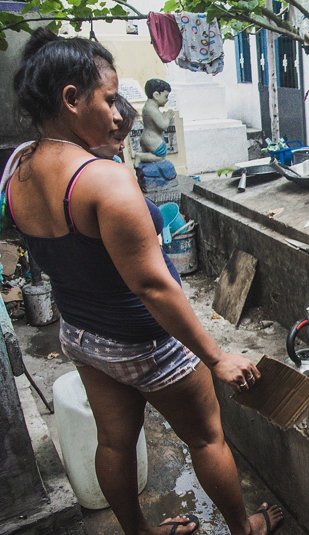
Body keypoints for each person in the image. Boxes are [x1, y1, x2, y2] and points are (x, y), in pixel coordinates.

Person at [8, 29, 283, 535]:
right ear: (71, 98)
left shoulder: (15, 168)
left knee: (113, 442)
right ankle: (244, 529)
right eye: (110, 100)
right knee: (206, 439)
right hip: (144, 342)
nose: (118, 114)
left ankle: (138, 532)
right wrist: (217, 356)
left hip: (81, 334)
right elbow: (153, 287)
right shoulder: (104, 182)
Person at [136, 78, 173, 167]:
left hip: (147, 138)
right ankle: (140, 157)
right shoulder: (152, 109)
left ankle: (142, 158)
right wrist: (168, 117)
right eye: (166, 96)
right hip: (153, 140)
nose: (167, 99)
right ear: (156, 95)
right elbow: (163, 126)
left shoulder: (148, 106)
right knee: (161, 156)